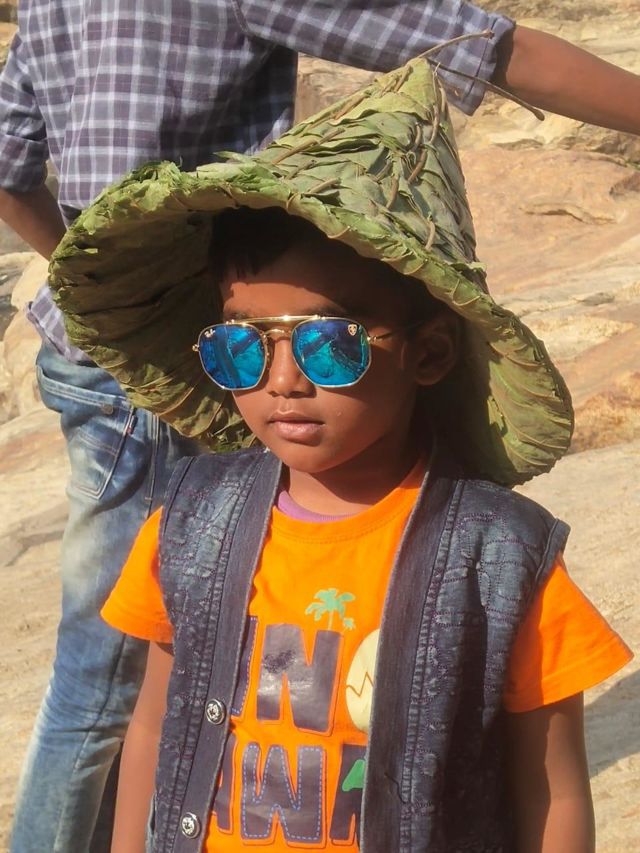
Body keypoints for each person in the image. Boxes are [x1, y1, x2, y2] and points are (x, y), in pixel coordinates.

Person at [1, 3, 639, 851]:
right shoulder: (186, 525)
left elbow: (550, 788)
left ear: (430, 351)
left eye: (329, 344)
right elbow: (153, 726)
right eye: (240, 347)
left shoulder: (502, 560)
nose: (283, 381)